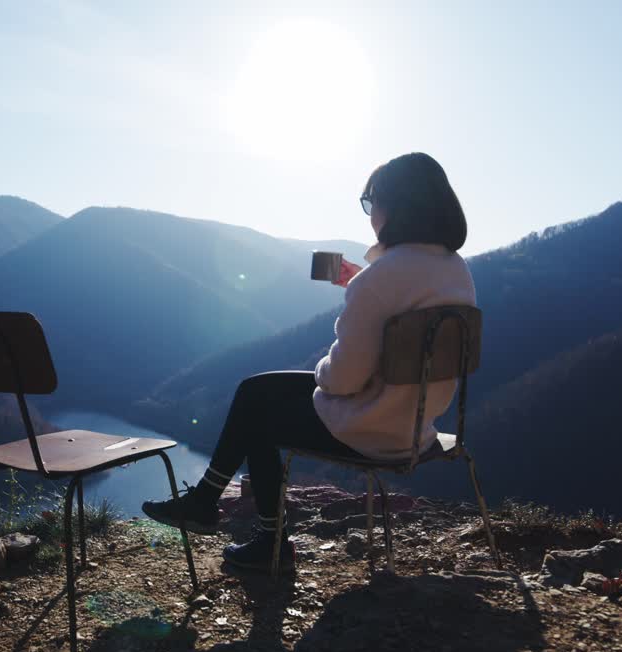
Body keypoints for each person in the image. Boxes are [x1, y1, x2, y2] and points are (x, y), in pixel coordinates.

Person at [143, 152, 477, 570]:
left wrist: (322, 368)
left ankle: (264, 541)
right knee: (257, 390)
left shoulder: (380, 278)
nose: (370, 214)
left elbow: (342, 380)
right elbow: (403, 299)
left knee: (256, 411)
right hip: (416, 425)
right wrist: (363, 282)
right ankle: (206, 501)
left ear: (396, 205)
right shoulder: (455, 269)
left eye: (371, 202)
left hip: (371, 427)